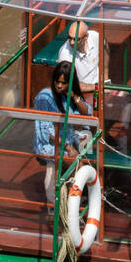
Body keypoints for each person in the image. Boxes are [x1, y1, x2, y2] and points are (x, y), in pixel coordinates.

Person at [33, 62, 90, 207]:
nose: (59, 86)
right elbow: (46, 131)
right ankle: (58, 203)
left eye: (63, 83)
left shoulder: (67, 97)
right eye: (57, 82)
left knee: (88, 158)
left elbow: (86, 112)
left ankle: (72, 197)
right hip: (51, 144)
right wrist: (69, 148)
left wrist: (74, 97)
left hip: (69, 140)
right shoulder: (44, 98)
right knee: (77, 163)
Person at [57, 19, 100, 106]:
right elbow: (69, 84)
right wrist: (98, 87)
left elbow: (105, 45)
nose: (72, 42)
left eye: (76, 39)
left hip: (99, 88)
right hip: (81, 95)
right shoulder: (64, 55)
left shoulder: (95, 36)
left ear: (86, 37)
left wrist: (105, 74)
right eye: (70, 38)